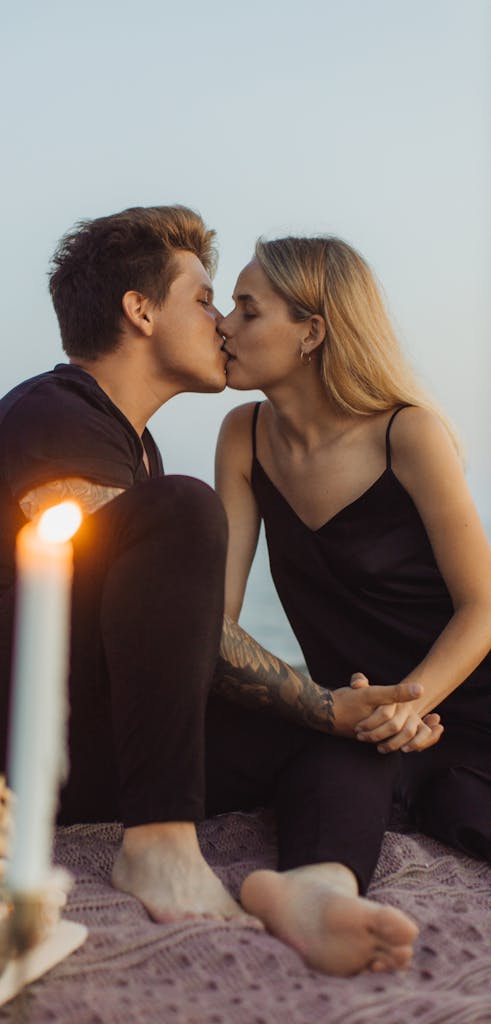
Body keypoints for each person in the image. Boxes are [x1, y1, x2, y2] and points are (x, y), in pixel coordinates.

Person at [0, 207, 420, 975]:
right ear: (139, 310)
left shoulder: (141, 453)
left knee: (341, 743)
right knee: (185, 508)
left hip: (67, 733)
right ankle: (159, 844)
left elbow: (166, 640)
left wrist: (330, 712)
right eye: (204, 299)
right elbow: (113, 594)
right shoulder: (55, 408)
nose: (222, 323)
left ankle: (312, 883)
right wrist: (317, 695)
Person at [216, 235, 491, 963]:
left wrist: (413, 700)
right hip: (362, 714)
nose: (222, 323)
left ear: (311, 332)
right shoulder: (242, 437)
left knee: (465, 810)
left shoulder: (409, 433)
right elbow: (217, 618)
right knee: (331, 752)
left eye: (247, 309)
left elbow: (481, 607)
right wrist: (315, 702)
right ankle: (316, 893)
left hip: (463, 694)